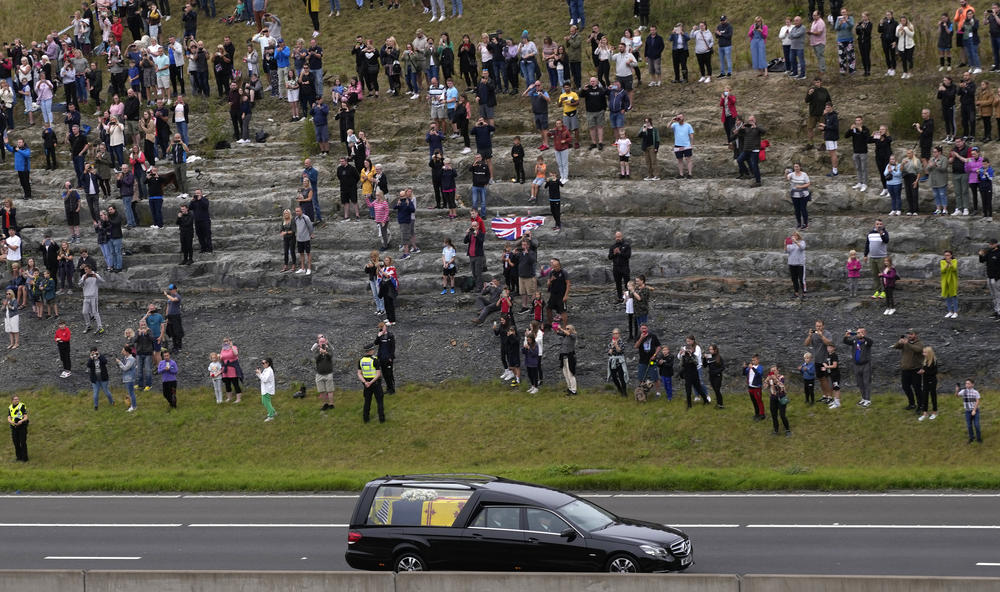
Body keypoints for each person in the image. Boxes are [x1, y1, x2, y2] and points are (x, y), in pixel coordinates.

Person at [893, 329, 924, 412]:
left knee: (917, 388)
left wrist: (908, 344)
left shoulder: (919, 343)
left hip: (916, 370)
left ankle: (921, 405)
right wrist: (899, 342)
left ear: (915, 335)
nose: (909, 336)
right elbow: (895, 347)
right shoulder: (905, 343)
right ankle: (912, 404)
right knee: (905, 387)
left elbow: (918, 350)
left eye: (911, 334)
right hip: (905, 369)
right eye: (908, 334)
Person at [804, 320, 834, 405]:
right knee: (820, 379)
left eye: (820, 326)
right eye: (817, 326)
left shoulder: (827, 333)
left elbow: (829, 343)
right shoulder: (813, 334)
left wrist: (821, 336)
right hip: (817, 360)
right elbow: (806, 344)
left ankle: (830, 397)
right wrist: (809, 336)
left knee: (826, 379)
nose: (818, 328)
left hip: (825, 360)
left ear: (823, 326)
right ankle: (825, 396)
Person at [357, 345, 385, 423]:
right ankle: (381, 419)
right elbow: (378, 374)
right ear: (370, 351)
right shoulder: (375, 360)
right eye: (372, 349)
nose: (374, 350)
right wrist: (371, 382)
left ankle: (366, 418)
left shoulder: (361, 360)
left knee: (367, 401)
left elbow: (359, 373)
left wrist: (365, 382)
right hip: (375, 383)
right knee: (379, 401)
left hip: (366, 384)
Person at [863, 219, 890, 299]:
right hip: (872, 257)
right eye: (877, 224)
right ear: (875, 225)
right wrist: (865, 255)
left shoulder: (885, 232)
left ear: (882, 225)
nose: (879, 225)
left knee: (884, 275)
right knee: (875, 275)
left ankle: (884, 291)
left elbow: (886, 241)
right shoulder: (870, 233)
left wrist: (881, 234)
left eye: (880, 224)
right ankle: (877, 291)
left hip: (882, 257)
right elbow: (867, 244)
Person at [845, 116, 870, 192]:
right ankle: (860, 182)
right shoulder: (854, 129)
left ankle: (865, 184)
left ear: (862, 121)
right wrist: (850, 129)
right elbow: (846, 136)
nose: (857, 122)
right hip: (855, 152)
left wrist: (861, 130)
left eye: (859, 120)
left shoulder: (865, 129)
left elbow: (867, 138)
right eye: (856, 120)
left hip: (863, 152)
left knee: (864, 168)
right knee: (858, 168)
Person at [764, 365, 791, 436]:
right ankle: (776, 430)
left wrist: (775, 379)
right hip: (773, 398)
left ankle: (788, 430)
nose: (773, 372)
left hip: (781, 398)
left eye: (774, 370)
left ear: (777, 371)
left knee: (782, 415)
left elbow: (781, 385)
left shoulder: (781, 377)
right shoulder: (770, 378)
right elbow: (765, 387)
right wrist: (766, 381)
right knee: (774, 415)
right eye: (771, 371)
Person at [804, 78, 831, 148]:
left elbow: (829, 101)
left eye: (818, 82)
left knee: (823, 129)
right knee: (810, 128)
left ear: (821, 82)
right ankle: (810, 143)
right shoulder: (811, 90)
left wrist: (827, 110)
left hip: (822, 113)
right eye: (815, 82)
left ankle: (824, 144)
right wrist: (809, 94)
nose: (816, 84)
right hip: (813, 113)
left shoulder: (824, 90)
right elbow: (806, 101)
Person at [956, 379, 983, 443]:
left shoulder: (975, 392)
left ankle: (979, 438)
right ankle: (971, 438)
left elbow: (977, 401)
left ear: (972, 384)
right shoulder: (963, 391)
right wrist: (957, 390)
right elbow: (956, 395)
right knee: (969, 425)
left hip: (975, 411)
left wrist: (974, 410)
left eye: (968, 383)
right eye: (966, 383)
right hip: (967, 411)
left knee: (976, 425)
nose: (966, 385)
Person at [373, 321, 396, 394]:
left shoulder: (390, 335)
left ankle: (392, 389)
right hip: (381, 358)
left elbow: (393, 348)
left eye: (383, 327)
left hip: (388, 358)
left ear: (385, 327)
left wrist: (391, 357)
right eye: (381, 328)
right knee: (385, 374)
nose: (382, 329)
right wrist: (378, 336)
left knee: (389, 374)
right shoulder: (380, 335)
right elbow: (376, 343)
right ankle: (388, 389)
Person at [786, 163, 811, 229]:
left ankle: (805, 223)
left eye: (797, 167)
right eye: (795, 167)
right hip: (794, 195)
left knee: (803, 209)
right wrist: (786, 174)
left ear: (800, 167)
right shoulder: (792, 174)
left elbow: (808, 183)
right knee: (797, 210)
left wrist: (800, 186)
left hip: (803, 194)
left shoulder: (804, 174)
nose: (796, 168)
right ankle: (799, 223)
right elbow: (787, 177)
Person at [669, 113, 694, 179]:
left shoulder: (688, 125)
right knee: (679, 160)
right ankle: (681, 174)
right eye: (678, 117)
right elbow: (668, 127)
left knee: (688, 160)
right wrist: (672, 120)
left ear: (683, 117)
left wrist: (691, 145)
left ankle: (690, 174)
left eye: (680, 117)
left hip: (687, 145)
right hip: (677, 145)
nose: (679, 119)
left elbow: (691, 136)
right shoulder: (675, 125)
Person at [980, 238, 1000, 319]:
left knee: (998, 295)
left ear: (996, 244)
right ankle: (996, 310)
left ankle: (999, 312)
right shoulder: (989, 252)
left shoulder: (999, 252)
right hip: (989, 277)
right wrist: (981, 255)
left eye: (991, 244)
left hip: (997, 278)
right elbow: (982, 261)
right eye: (989, 244)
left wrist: (997, 277)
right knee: (993, 295)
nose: (990, 245)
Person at [313, 337, 335, 411]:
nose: (322, 343)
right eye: (321, 342)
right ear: (318, 343)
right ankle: (325, 404)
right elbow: (316, 358)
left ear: (326, 342)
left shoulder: (329, 349)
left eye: (323, 341)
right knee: (321, 390)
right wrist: (320, 353)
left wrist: (326, 352)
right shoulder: (316, 350)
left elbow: (331, 356)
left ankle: (331, 404)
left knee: (330, 390)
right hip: (319, 373)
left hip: (328, 373)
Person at [918, 346, 939, 422]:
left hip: (932, 381)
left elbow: (935, 372)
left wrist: (924, 372)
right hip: (925, 381)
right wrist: (921, 371)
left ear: (929, 353)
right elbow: (925, 370)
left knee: (933, 396)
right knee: (925, 397)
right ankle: (925, 413)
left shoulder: (934, 361)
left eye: (925, 352)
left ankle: (935, 412)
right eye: (923, 352)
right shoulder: (925, 360)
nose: (923, 354)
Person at [608, 231, 632, 299]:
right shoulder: (613, 246)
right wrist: (614, 253)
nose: (618, 238)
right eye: (616, 237)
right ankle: (620, 298)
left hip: (625, 268)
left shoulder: (626, 245)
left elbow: (628, 256)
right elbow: (609, 257)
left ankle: (628, 298)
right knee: (618, 284)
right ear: (615, 237)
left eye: (619, 237)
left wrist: (620, 252)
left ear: (622, 237)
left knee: (627, 283)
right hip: (616, 268)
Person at [606, 328, 628, 397]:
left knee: (621, 377)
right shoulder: (610, 343)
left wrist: (616, 345)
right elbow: (609, 353)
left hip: (620, 361)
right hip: (612, 361)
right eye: (613, 334)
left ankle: (624, 392)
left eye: (616, 333)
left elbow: (620, 351)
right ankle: (619, 389)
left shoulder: (622, 342)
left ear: (619, 334)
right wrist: (612, 347)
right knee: (614, 377)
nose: (615, 335)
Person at [116, 346, 138, 412]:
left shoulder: (131, 359)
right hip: (127, 378)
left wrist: (119, 362)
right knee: (130, 392)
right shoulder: (126, 358)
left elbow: (125, 368)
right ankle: (132, 405)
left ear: (127, 352)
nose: (121, 352)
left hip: (130, 378)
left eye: (123, 351)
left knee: (131, 393)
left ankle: (134, 406)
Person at [703, 344, 725, 409]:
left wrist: (716, 372)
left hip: (718, 376)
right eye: (709, 349)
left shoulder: (719, 357)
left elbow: (723, 367)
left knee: (717, 390)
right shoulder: (709, 356)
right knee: (715, 390)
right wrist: (704, 358)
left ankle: (721, 404)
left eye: (711, 349)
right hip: (711, 377)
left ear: (715, 350)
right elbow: (704, 366)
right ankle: (718, 403)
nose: (710, 350)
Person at [786, 231, 806, 298]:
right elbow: (786, 251)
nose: (793, 237)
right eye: (793, 235)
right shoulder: (790, 244)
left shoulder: (802, 242)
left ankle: (804, 292)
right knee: (794, 279)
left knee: (801, 279)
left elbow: (802, 248)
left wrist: (796, 242)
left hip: (800, 264)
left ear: (798, 236)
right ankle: (796, 292)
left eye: (795, 235)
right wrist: (785, 244)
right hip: (792, 263)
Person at [255, 358, 277, 422]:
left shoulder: (269, 370)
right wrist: (258, 373)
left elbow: (264, 379)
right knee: (265, 402)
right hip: (265, 389)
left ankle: (271, 416)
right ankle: (273, 411)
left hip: (267, 389)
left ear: (268, 363)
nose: (263, 364)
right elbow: (262, 378)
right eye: (262, 363)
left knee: (266, 402)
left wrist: (259, 373)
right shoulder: (266, 370)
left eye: (264, 363)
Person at [8, 395, 28, 462]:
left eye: (18, 399)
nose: (17, 400)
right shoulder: (10, 407)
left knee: (23, 442)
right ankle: (18, 458)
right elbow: (9, 417)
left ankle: (25, 459)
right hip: (14, 427)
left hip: (22, 426)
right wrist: (11, 422)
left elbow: (26, 417)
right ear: (12, 400)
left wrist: (21, 421)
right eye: (15, 399)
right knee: (16, 443)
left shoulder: (21, 405)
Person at [941, 250, 960, 318]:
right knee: (947, 296)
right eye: (945, 255)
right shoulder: (942, 261)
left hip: (952, 281)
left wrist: (950, 263)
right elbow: (942, 270)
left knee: (953, 296)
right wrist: (947, 264)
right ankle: (950, 311)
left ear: (951, 255)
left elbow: (954, 269)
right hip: (945, 281)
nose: (947, 256)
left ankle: (955, 312)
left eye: (948, 255)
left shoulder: (954, 261)